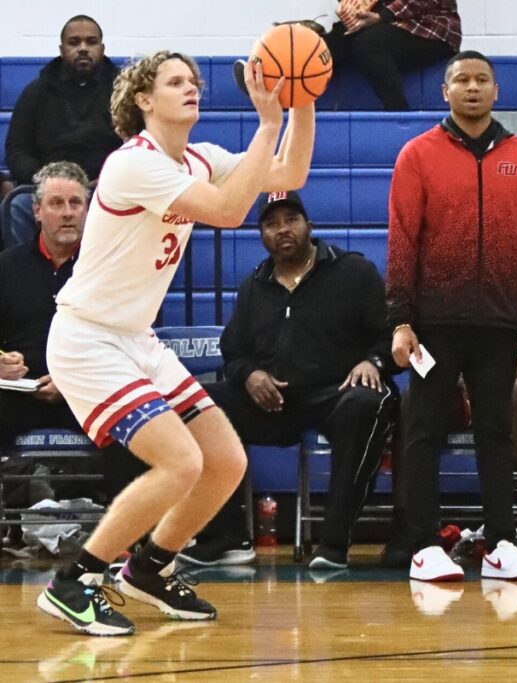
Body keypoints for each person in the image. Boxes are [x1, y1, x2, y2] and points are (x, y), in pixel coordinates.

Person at [36, 51, 314, 637]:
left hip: (137, 339)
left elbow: (287, 175)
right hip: (87, 338)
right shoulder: (131, 166)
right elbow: (231, 209)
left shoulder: (199, 158)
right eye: (175, 81)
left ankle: (149, 569)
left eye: (194, 80)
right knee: (181, 461)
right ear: (143, 99)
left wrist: (305, 100)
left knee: (226, 462)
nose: (192, 88)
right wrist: (267, 122)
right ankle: (75, 583)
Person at [387, 50, 517, 582]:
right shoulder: (417, 155)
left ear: (496, 91)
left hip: (499, 321)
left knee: (496, 432)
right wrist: (401, 319)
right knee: (424, 430)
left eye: (481, 79)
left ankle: (501, 543)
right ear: (445, 92)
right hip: (433, 324)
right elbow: (401, 241)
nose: (471, 87)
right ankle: (422, 544)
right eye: (461, 79)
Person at [184, 190, 398, 570]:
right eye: (271, 224)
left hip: (339, 395)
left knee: (368, 401)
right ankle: (225, 539)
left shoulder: (353, 272)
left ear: (308, 225)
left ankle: (334, 544)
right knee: (196, 402)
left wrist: (375, 362)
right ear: (261, 235)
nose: (282, 230)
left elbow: (392, 335)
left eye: (290, 220)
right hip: (277, 402)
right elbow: (234, 351)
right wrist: (250, 375)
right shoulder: (255, 286)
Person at [0, 161, 141, 509]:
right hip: (20, 392)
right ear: (36, 211)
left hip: (87, 390)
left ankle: (125, 538)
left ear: (88, 211)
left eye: (75, 203)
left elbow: (130, 343)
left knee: (137, 421)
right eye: (56, 203)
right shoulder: (6, 266)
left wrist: (70, 380)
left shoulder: (110, 269)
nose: (67, 214)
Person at [383, 318, 517, 569]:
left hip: (508, 383)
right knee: (413, 399)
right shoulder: (441, 289)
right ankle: (407, 529)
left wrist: (496, 374)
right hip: (452, 386)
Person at [4, 16, 123, 249]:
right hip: (48, 189)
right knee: (18, 205)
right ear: (61, 49)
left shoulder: (122, 92)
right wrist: (48, 183)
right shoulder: (36, 92)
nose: (83, 49)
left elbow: (137, 146)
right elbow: (17, 150)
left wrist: (109, 180)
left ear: (102, 47)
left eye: (91, 42)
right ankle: (28, 282)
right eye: (74, 42)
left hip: (105, 188)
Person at [324, 0, 461, 110]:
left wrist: (382, 16)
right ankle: (311, 109)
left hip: (430, 28)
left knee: (368, 43)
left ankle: (397, 110)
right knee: (329, 45)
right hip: (388, 21)